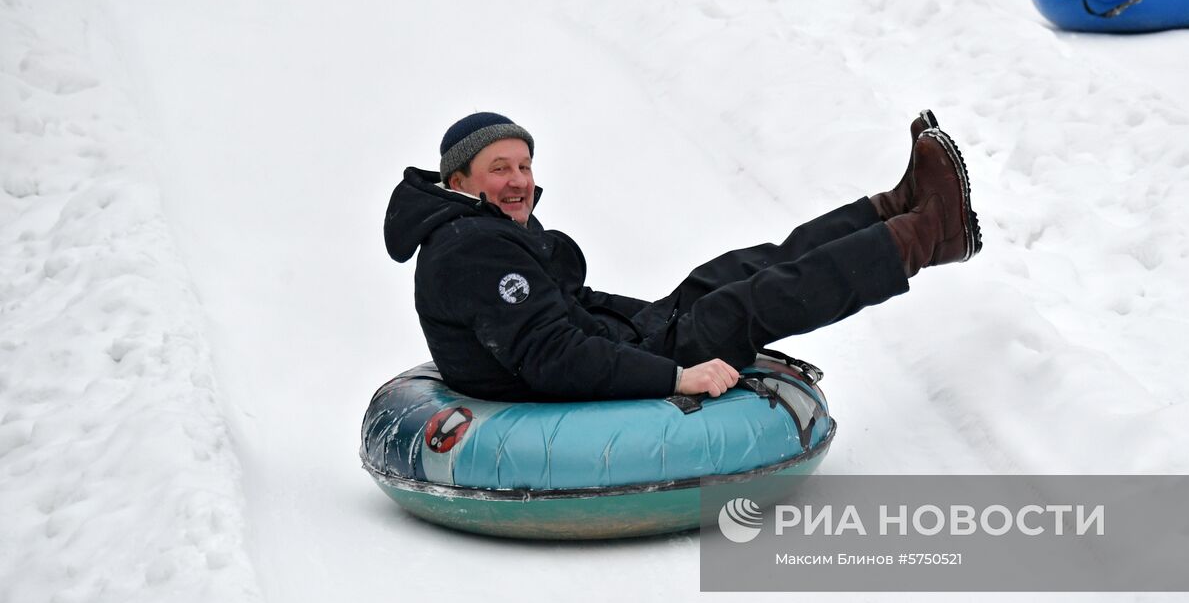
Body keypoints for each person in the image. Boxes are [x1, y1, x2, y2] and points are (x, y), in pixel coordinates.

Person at [384, 110, 982, 402]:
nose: (519, 181)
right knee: (758, 300)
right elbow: (552, 358)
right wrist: (675, 373)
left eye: (524, 165)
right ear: (458, 179)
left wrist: (655, 316)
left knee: (733, 271)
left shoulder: (483, 229)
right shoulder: (472, 251)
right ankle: (928, 235)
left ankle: (896, 206)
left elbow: (568, 307)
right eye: (499, 169)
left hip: (618, 342)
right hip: (577, 383)